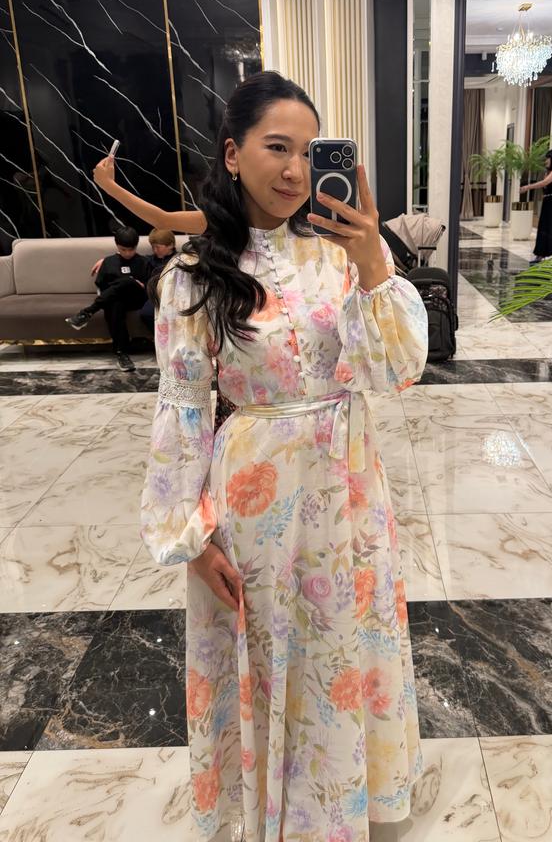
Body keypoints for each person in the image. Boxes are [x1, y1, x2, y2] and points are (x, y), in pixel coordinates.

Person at [139, 71, 429, 842]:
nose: (297, 170)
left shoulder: (345, 255)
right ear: (232, 154)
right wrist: (194, 537)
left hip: (348, 486)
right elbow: (182, 412)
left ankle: (341, 803)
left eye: (308, 151)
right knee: (268, 648)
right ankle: (273, 812)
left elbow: (397, 371)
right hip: (255, 495)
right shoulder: (193, 278)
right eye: (277, 148)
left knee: (342, 638)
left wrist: (373, 263)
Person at [65, 225, 150, 371]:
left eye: (131, 249)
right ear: (117, 246)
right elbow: (102, 286)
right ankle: (121, 353)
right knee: (114, 305)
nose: (127, 253)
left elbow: (148, 286)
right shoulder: (109, 262)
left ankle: (87, 312)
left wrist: (136, 283)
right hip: (116, 300)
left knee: (128, 281)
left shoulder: (143, 262)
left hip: (136, 299)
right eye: (123, 250)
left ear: (136, 246)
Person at [519, 148, 552, 264]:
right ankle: (540, 254)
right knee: (543, 227)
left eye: (548, 158)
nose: (546, 161)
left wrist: (527, 187)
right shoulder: (548, 172)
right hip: (547, 202)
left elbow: (544, 183)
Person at [140, 228, 177, 330]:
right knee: (146, 313)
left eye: (158, 247)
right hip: (155, 296)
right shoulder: (149, 260)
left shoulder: (179, 260)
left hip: (174, 296)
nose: (155, 250)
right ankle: (161, 337)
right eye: (153, 247)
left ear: (170, 245)